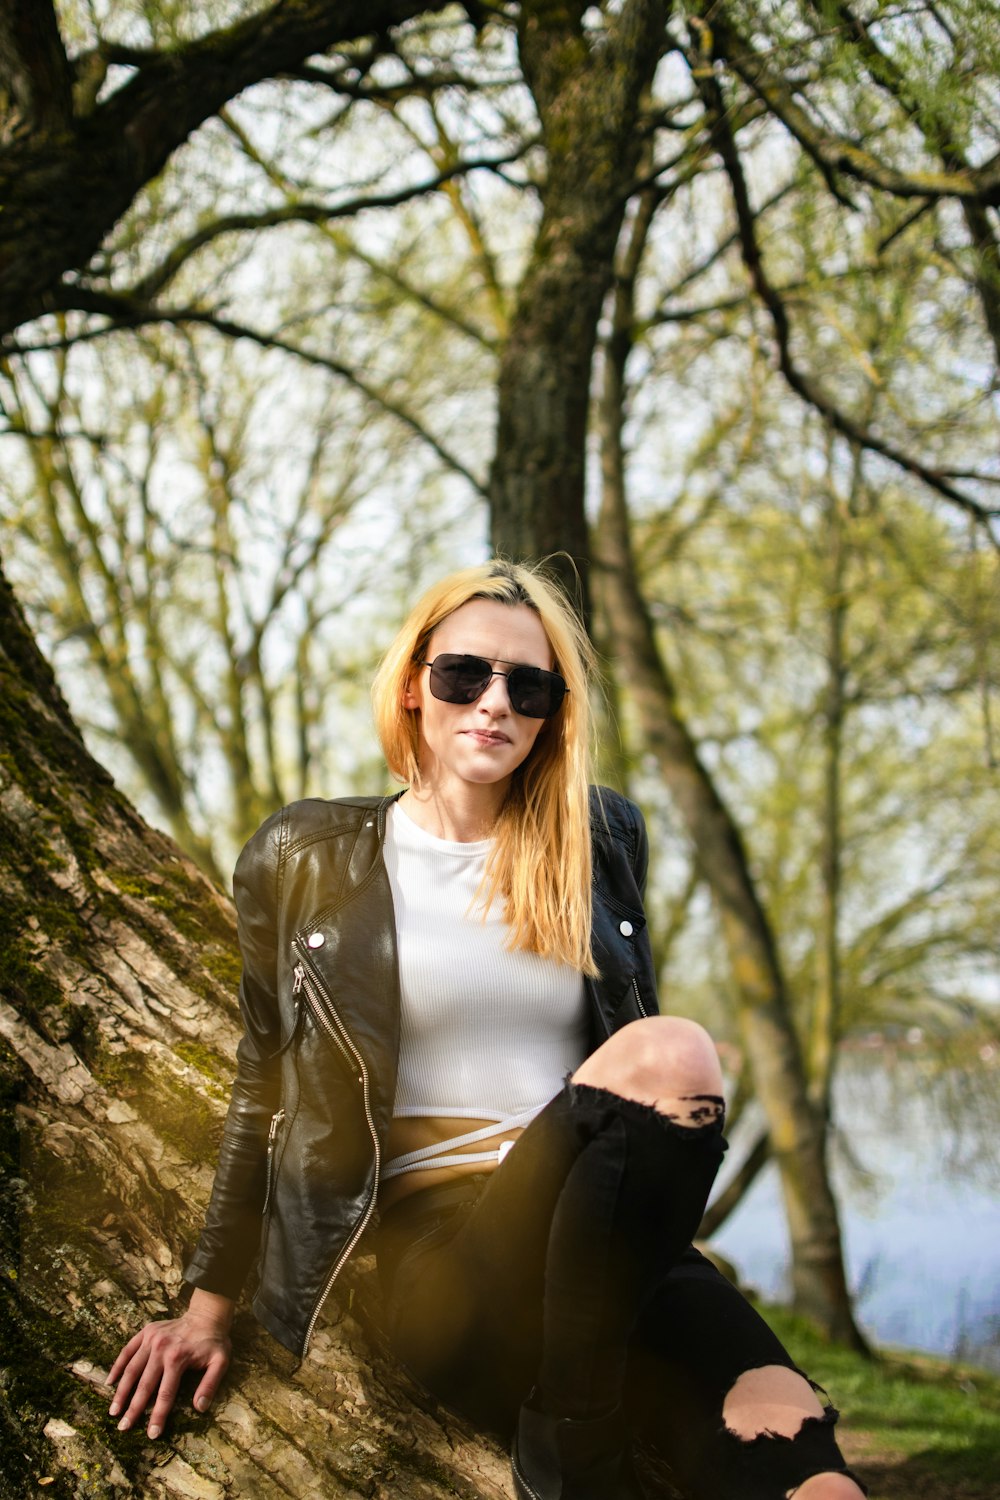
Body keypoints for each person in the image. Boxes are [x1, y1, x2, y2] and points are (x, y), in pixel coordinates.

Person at [108, 560, 868, 1500]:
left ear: (553, 712)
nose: (494, 703)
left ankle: (582, 1419)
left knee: (813, 1476)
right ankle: (574, 1442)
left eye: (529, 686)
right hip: (452, 1271)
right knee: (675, 1050)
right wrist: (207, 1308)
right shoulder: (305, 855)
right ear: (414, 682)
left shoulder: (599, 841)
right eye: (465, 674)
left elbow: (634, 1105)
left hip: (616, 1250)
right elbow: (263, 1086)